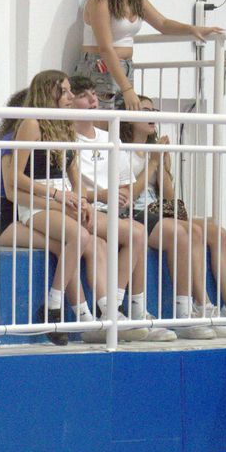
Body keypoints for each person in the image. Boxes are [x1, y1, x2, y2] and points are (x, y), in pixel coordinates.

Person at [0, 70, 147, 345]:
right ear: (47, 93)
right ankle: (64, 309)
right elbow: (14, 184)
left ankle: (109, 311)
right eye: (65, 91)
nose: (70, 96)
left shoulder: (64, 126)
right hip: (30, 206)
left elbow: (74, 177)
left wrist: (81, 200)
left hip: (58, 200)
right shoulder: (29, 126)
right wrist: (57, 196)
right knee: (78, 238)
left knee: (107, 238)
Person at [121, 95, 226, 337]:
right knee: (190, 232)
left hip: (159, 210)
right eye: (145, 111)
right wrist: (152, 164)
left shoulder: (154, 150)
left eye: (154, 111)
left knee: (217, 232)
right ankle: (200, 304)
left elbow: (168, 197)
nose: (152, 116)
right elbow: (129, 195)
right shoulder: (123, 151)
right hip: (136, 212)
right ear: (129, 119)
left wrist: (162, 164)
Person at [69, 76, 176, 342]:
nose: (93, 99)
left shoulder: (109, 137)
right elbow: (71, 189)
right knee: (135, 233)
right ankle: (116, 311)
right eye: (84, 95)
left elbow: (127, 186)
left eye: (94, 93)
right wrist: (102, 196)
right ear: (70, 102)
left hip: (113, 211)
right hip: (84, 209)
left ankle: (129, 312)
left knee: (136, 231)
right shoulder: (67, 139)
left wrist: (122, 196)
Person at [76, 0, 224, 111]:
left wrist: (192, 29)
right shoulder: (100, 0)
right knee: (104, 119)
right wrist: (127, 89)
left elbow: (163, 23)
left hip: (124, 66)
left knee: (124, 119)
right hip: (100, 65)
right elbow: (105, 47)